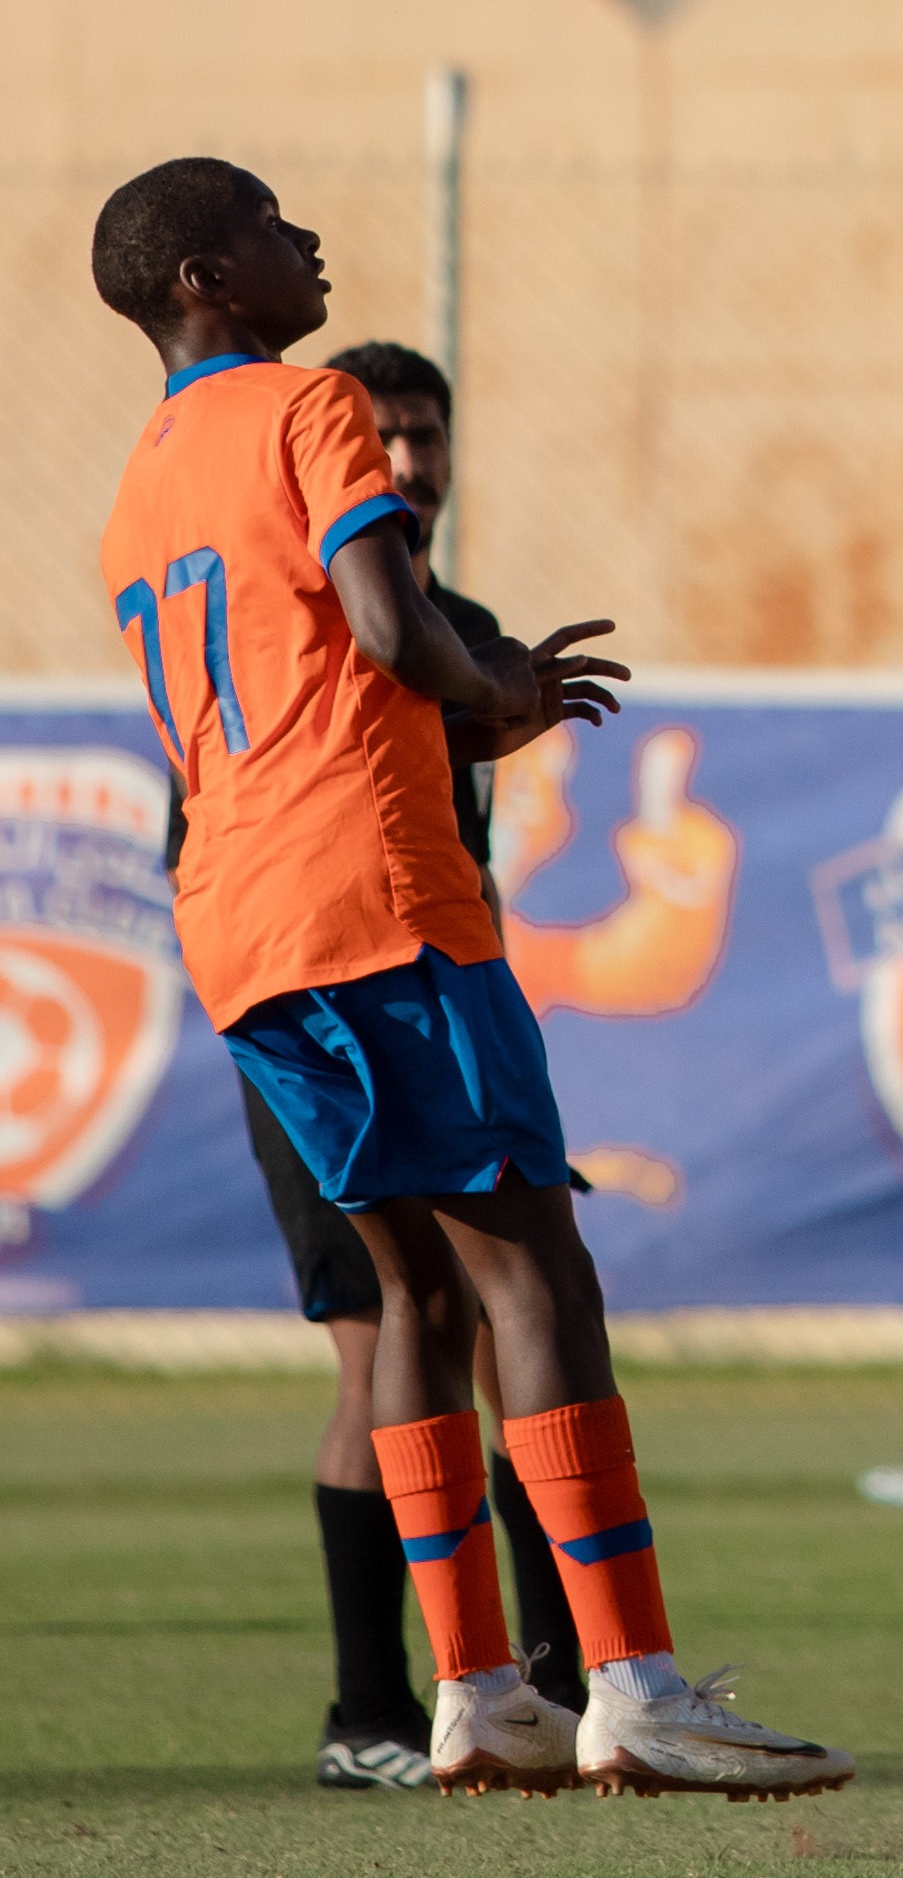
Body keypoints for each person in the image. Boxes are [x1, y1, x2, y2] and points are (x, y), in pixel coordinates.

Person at [92, 157, 849, 1801]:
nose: (307, 239)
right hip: (377, 896)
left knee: (412, 1297)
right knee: (537, 1279)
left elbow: (294, 674)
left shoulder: (138, 484)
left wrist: (465, 693)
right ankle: (633, 1683)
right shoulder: (309, 405)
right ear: (207, 276)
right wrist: (492, 684)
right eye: (272, 222)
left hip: (240, 928)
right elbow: (385, 622)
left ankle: (478, 1690)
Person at [162, 339, 587, 1787]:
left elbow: (455, 802)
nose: (406, 463)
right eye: (383, 435)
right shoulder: (290, 616)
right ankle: (370, 1708)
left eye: (427, 436)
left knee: (505, 1319)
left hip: (430, 986)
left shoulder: (452, 620)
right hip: (332, 996)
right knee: (396, 1328)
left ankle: (552, 1678)